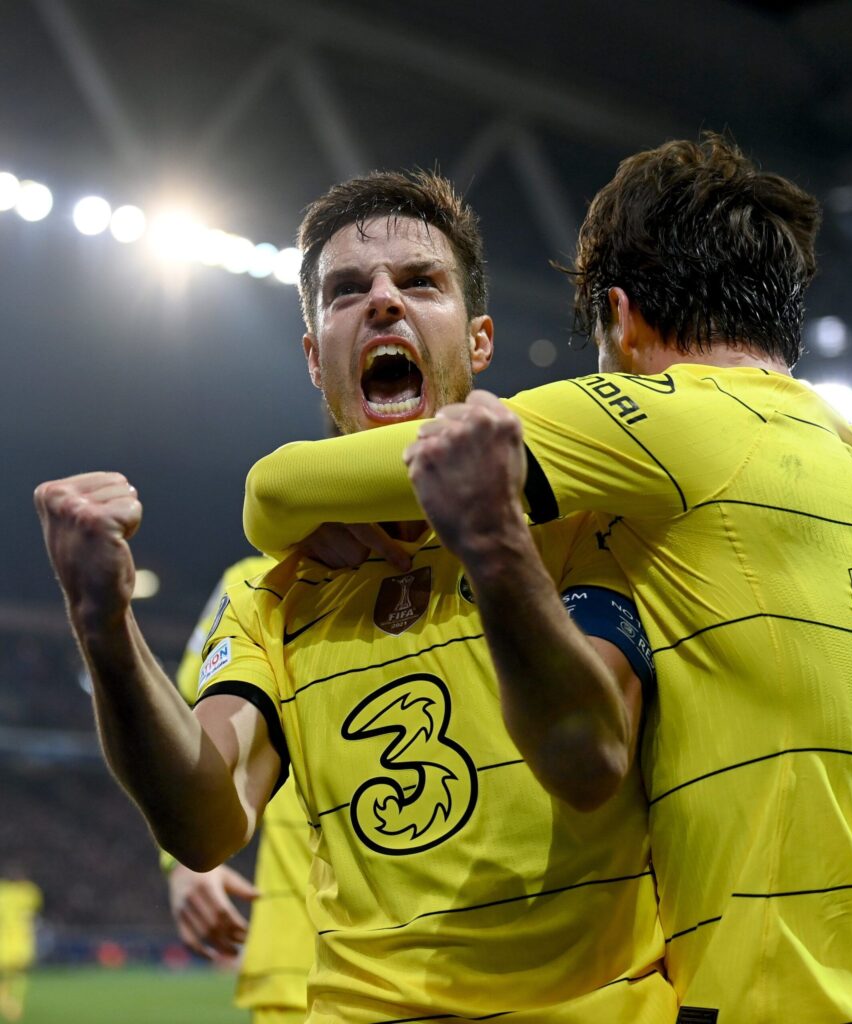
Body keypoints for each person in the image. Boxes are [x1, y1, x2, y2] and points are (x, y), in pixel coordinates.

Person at [241, 136, 852, 1023]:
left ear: (619, 321)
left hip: (775, 998)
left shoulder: (670, 418)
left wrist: (297, 508)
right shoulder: (851, 453)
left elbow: (288, 486)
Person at [34, 171, 677, 1022]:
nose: (382, 302)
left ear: (479, 340)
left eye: (420, 283)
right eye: (346, 292)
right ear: (312, 356)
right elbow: (205, 821)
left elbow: (591, 761)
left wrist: (489, 541)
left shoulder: (581, 531)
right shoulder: (271, 592)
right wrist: (104, 629)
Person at [165, 552, 314, 1024]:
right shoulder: (254, 582)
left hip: (504, 962)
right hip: (300, 965)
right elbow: (196, 719)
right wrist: (186, 859)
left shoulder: (511, 545)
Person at [0, 873, 42, 1022]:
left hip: (3, 943)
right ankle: (13, 1002)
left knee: (6, 975)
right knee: (20, 973)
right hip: (21, 943)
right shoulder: (27, 893)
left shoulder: (2, 892)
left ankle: (6, 1000)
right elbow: (36, 900)